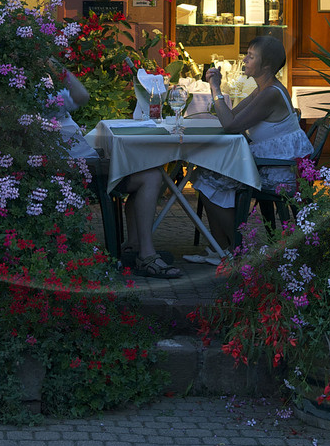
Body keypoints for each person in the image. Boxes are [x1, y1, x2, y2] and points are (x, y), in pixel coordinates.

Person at [52, 64, 180, 280]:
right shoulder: (30, 92)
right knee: (150, 175)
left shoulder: (42, 87)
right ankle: (145, 255)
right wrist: (52, 64)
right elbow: (82, 95)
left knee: (147, 170)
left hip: (87, 164)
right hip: (79, 172)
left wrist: (55, 68)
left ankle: (134, 246)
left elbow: (82, 96)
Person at [192, 35, 313, 263]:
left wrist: (215, 87)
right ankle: (224, 248)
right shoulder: (263, 89)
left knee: (204, 178)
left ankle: (237, 247)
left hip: (278, 172)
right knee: (207, 174)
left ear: (266, 65)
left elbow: (229, 125)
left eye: (251, 56)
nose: (245, 60)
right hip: (267, 164)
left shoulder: (271, 93)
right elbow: (234, 116)